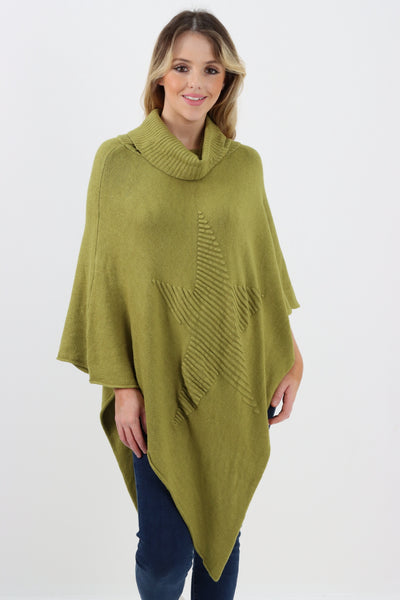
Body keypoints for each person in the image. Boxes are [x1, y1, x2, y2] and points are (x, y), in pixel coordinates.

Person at [56, 8, 303, 600]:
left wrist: (290, 356)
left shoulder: (243, 167)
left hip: (235, 380)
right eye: (183, 66)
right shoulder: (118, 161)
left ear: (227, 79)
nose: (196, 82)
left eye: (211, 69)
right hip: (154, 381)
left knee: (221, 539)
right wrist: (123, 386)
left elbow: (261, 275)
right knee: (165, 555)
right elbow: (103, 280)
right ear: (160, 74)